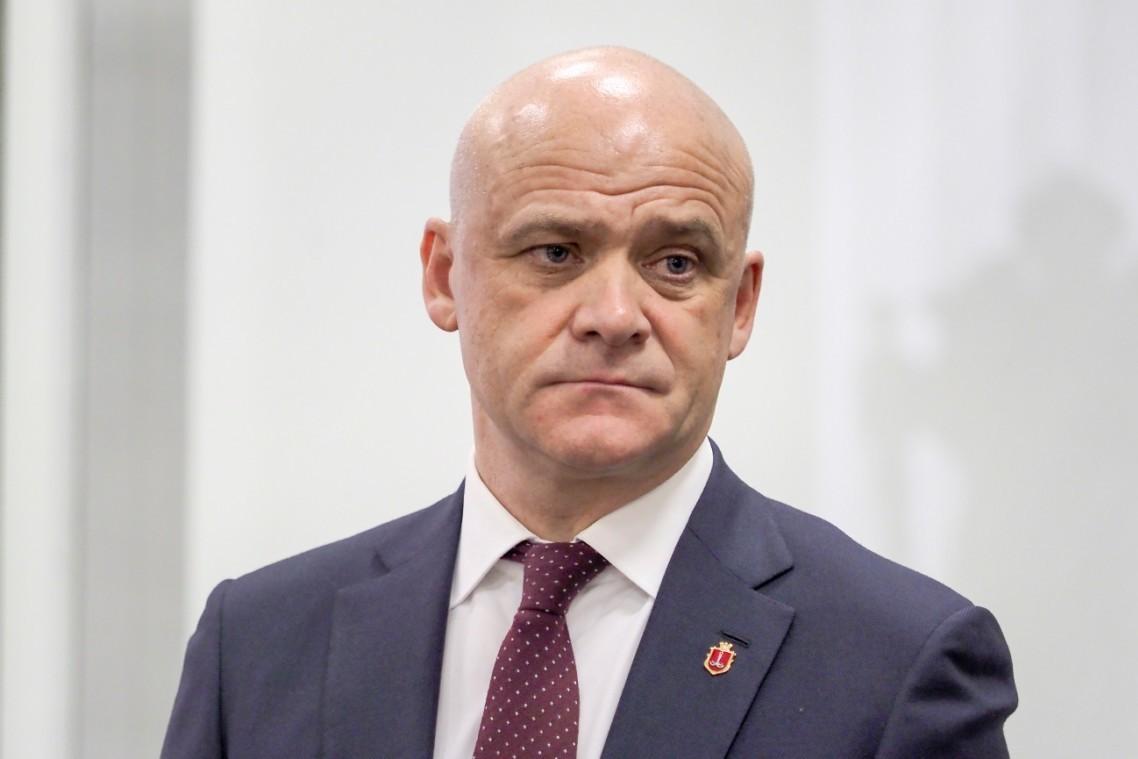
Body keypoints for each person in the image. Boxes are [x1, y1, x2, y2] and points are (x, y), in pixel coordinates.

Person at [162, 47, 1017, 758]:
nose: (614, 316)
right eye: (556, 251)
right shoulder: (259, 646)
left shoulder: (897, 665)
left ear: (740, 305)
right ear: (444, 275)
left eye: (675, 263)